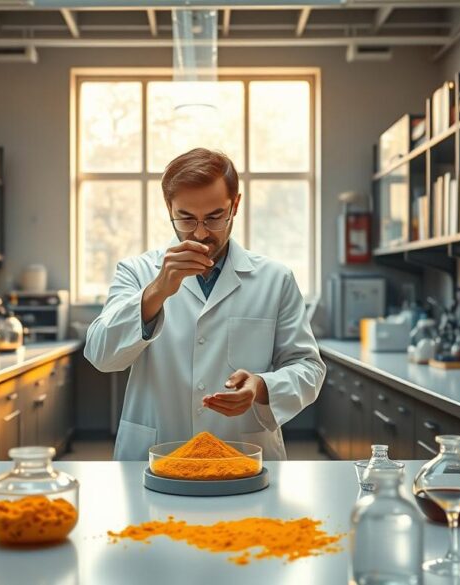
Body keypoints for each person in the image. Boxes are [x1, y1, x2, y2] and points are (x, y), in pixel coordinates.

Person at [84, 148, 325, 460]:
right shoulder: (137, 271)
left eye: (214, 217)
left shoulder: (275, 279)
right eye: (185, 218)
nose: (200, 233)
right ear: (168, 207)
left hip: (242, 454)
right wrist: (157, 290)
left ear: (235, 205)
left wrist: (260, 386)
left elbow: (308, 368)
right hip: (154, 455)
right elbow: (101, 355)